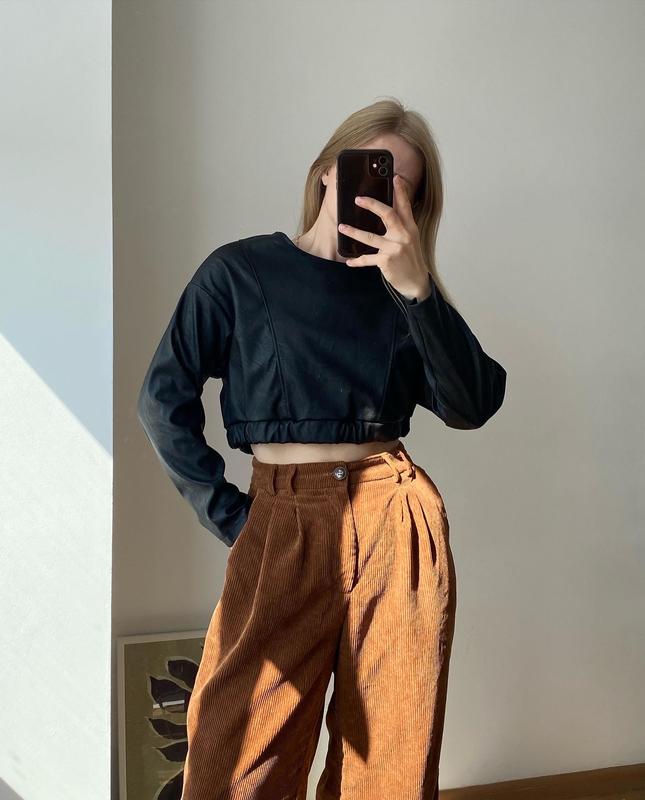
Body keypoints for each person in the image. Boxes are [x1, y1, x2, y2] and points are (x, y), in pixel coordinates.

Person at [137, 97, 506, 800]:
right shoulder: (240, 272)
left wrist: (417, 289)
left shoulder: (404, 294)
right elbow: (162, 399)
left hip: (393, 519)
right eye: (369, 168)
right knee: (234, 760)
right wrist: (232, 517)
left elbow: (472, 405)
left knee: (390, 761)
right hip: (283, 521)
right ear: (326, 171)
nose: (379, 192)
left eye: (400, 187)